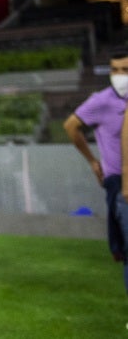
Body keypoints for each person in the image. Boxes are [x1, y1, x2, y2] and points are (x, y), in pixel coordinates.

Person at [64, 49, 128, 291]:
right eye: (115, 69)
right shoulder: (102, 101)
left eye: (125, 70)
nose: (119, 75)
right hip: (119, 182)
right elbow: (71, 126)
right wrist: (92, 160)